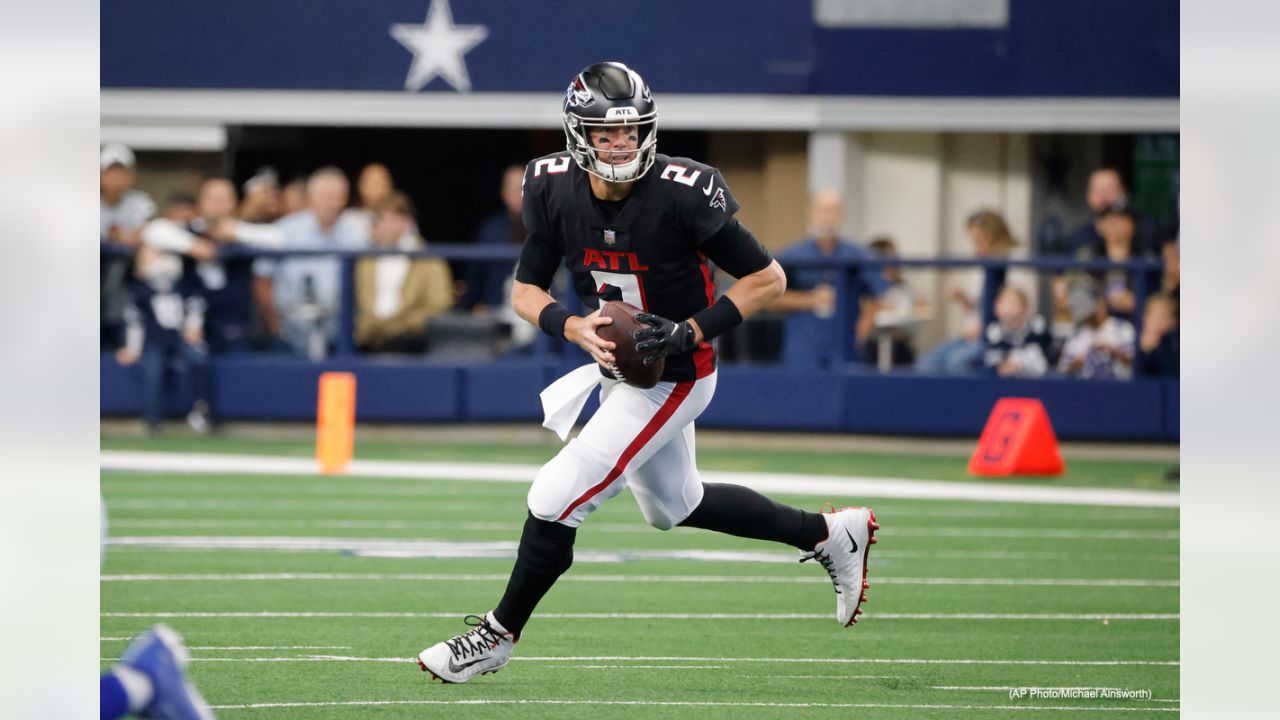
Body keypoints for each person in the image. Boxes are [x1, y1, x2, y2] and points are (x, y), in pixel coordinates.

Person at [415, 62, 879, 685]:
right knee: (674, 506)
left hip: (679, 373)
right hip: (620, 372)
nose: (620, 145)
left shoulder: (685, 191)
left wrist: (689, 330)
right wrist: (572, 326)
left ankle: (497, 636)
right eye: (605, 135)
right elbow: (525, 289)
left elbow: (769, 280)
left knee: (555, 497)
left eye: (631, 132)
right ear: (580, 136)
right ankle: (829, 534)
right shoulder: (552, 186)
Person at [248, 166, 369, 357]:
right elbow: (262, 279)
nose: (332, 203)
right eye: (326, 196)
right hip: (289, 336)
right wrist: (275, 325)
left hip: (338, 337)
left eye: (338, 196)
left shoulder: (356, 236)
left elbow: (365, 283)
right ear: (311, 198)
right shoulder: (285, 231)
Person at [770, 189, 889, 368]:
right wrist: (810, 300)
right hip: (804, 350)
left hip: (844, 350)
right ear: (812, 212)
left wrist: (860, 333)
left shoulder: (856, 254)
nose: (827, 217)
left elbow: (879, 295)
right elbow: (771, 298)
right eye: (822, 210)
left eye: (833, 211)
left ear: (841, 215)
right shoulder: (794, 255)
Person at [116, 245, 213, 435]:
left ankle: (201, 412)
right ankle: (153, 422)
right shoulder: (139, 290)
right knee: (153, 375)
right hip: (154, 339)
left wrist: (193, 325)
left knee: (201, 362)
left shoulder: (181, 283)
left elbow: (195, 304)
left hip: (179, 336)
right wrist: (132, 348)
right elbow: (135, 322)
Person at [916, 209, 1020, 375]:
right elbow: (979, 308)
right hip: (971, 337)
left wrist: (986, 328)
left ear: (993, 235)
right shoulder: (982, 264)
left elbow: (1017, 310)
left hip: (1000, 339)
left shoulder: (1018, 263)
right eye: (974, 240)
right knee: (926, 363)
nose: (977, 245)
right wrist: (964, 300)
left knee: (955, 363)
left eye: (980, 239)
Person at [355, 193, 454, 353]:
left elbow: (439, 306)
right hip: (367, 337)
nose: (374, 227)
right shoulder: (364, 261)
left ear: (405, 222)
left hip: (409, 339)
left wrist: (395, 326)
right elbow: (357, 305)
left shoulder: (430, 260)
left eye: (380, 220)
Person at [462, 165, 526, 313]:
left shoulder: (548, 227)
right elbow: (475, 274)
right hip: (494, 309)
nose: (519, 192)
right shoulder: (490, 229)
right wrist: (476, 303)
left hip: (536, 314)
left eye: (523, 186)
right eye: (513, 187)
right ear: (504, 193)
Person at [1062, 168, 1162, 256]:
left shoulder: (1150, 232)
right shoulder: (1078, 238)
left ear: (1124, 192)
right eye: (1097, 191)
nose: (1104, 197)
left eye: (1110, 189)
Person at [859, 236, 926, 367]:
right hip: (873, 345)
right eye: (888, 257)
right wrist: (876, 308)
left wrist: (919, 308)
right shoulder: (865, 287)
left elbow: (917, 311)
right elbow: (863, 325)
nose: (894, 262)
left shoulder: (903, 287)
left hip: (899, 343)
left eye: (894, 256)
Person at [1058, 277, 1136, 380]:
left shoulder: (1123, 328)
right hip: (1085, 391)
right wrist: (1075, 364)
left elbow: (1136, 364)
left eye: (1092, 314)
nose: (1089, 319)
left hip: (1121, 391)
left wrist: (1115, 352)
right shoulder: (1077, 335)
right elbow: (1062, 371)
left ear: (1101, 303)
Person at [981, 285, 1051, 378]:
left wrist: (1019, 364)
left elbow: (1044, 364)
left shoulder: (1037, 332)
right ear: (996, 309)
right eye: (1005, 304)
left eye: (1014, 304)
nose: (1009, 310)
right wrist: (1002, 366)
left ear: (1025, 309)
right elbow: (991, 362)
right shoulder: (992, 334)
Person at [1135, 292, 1179, 377]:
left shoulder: (1173, 342)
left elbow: (1171, 375)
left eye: (1163, 316)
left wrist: (1154, 350)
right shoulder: (1135, 339)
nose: (1157, 322)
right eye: (1154, 316)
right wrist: (1144, 351)